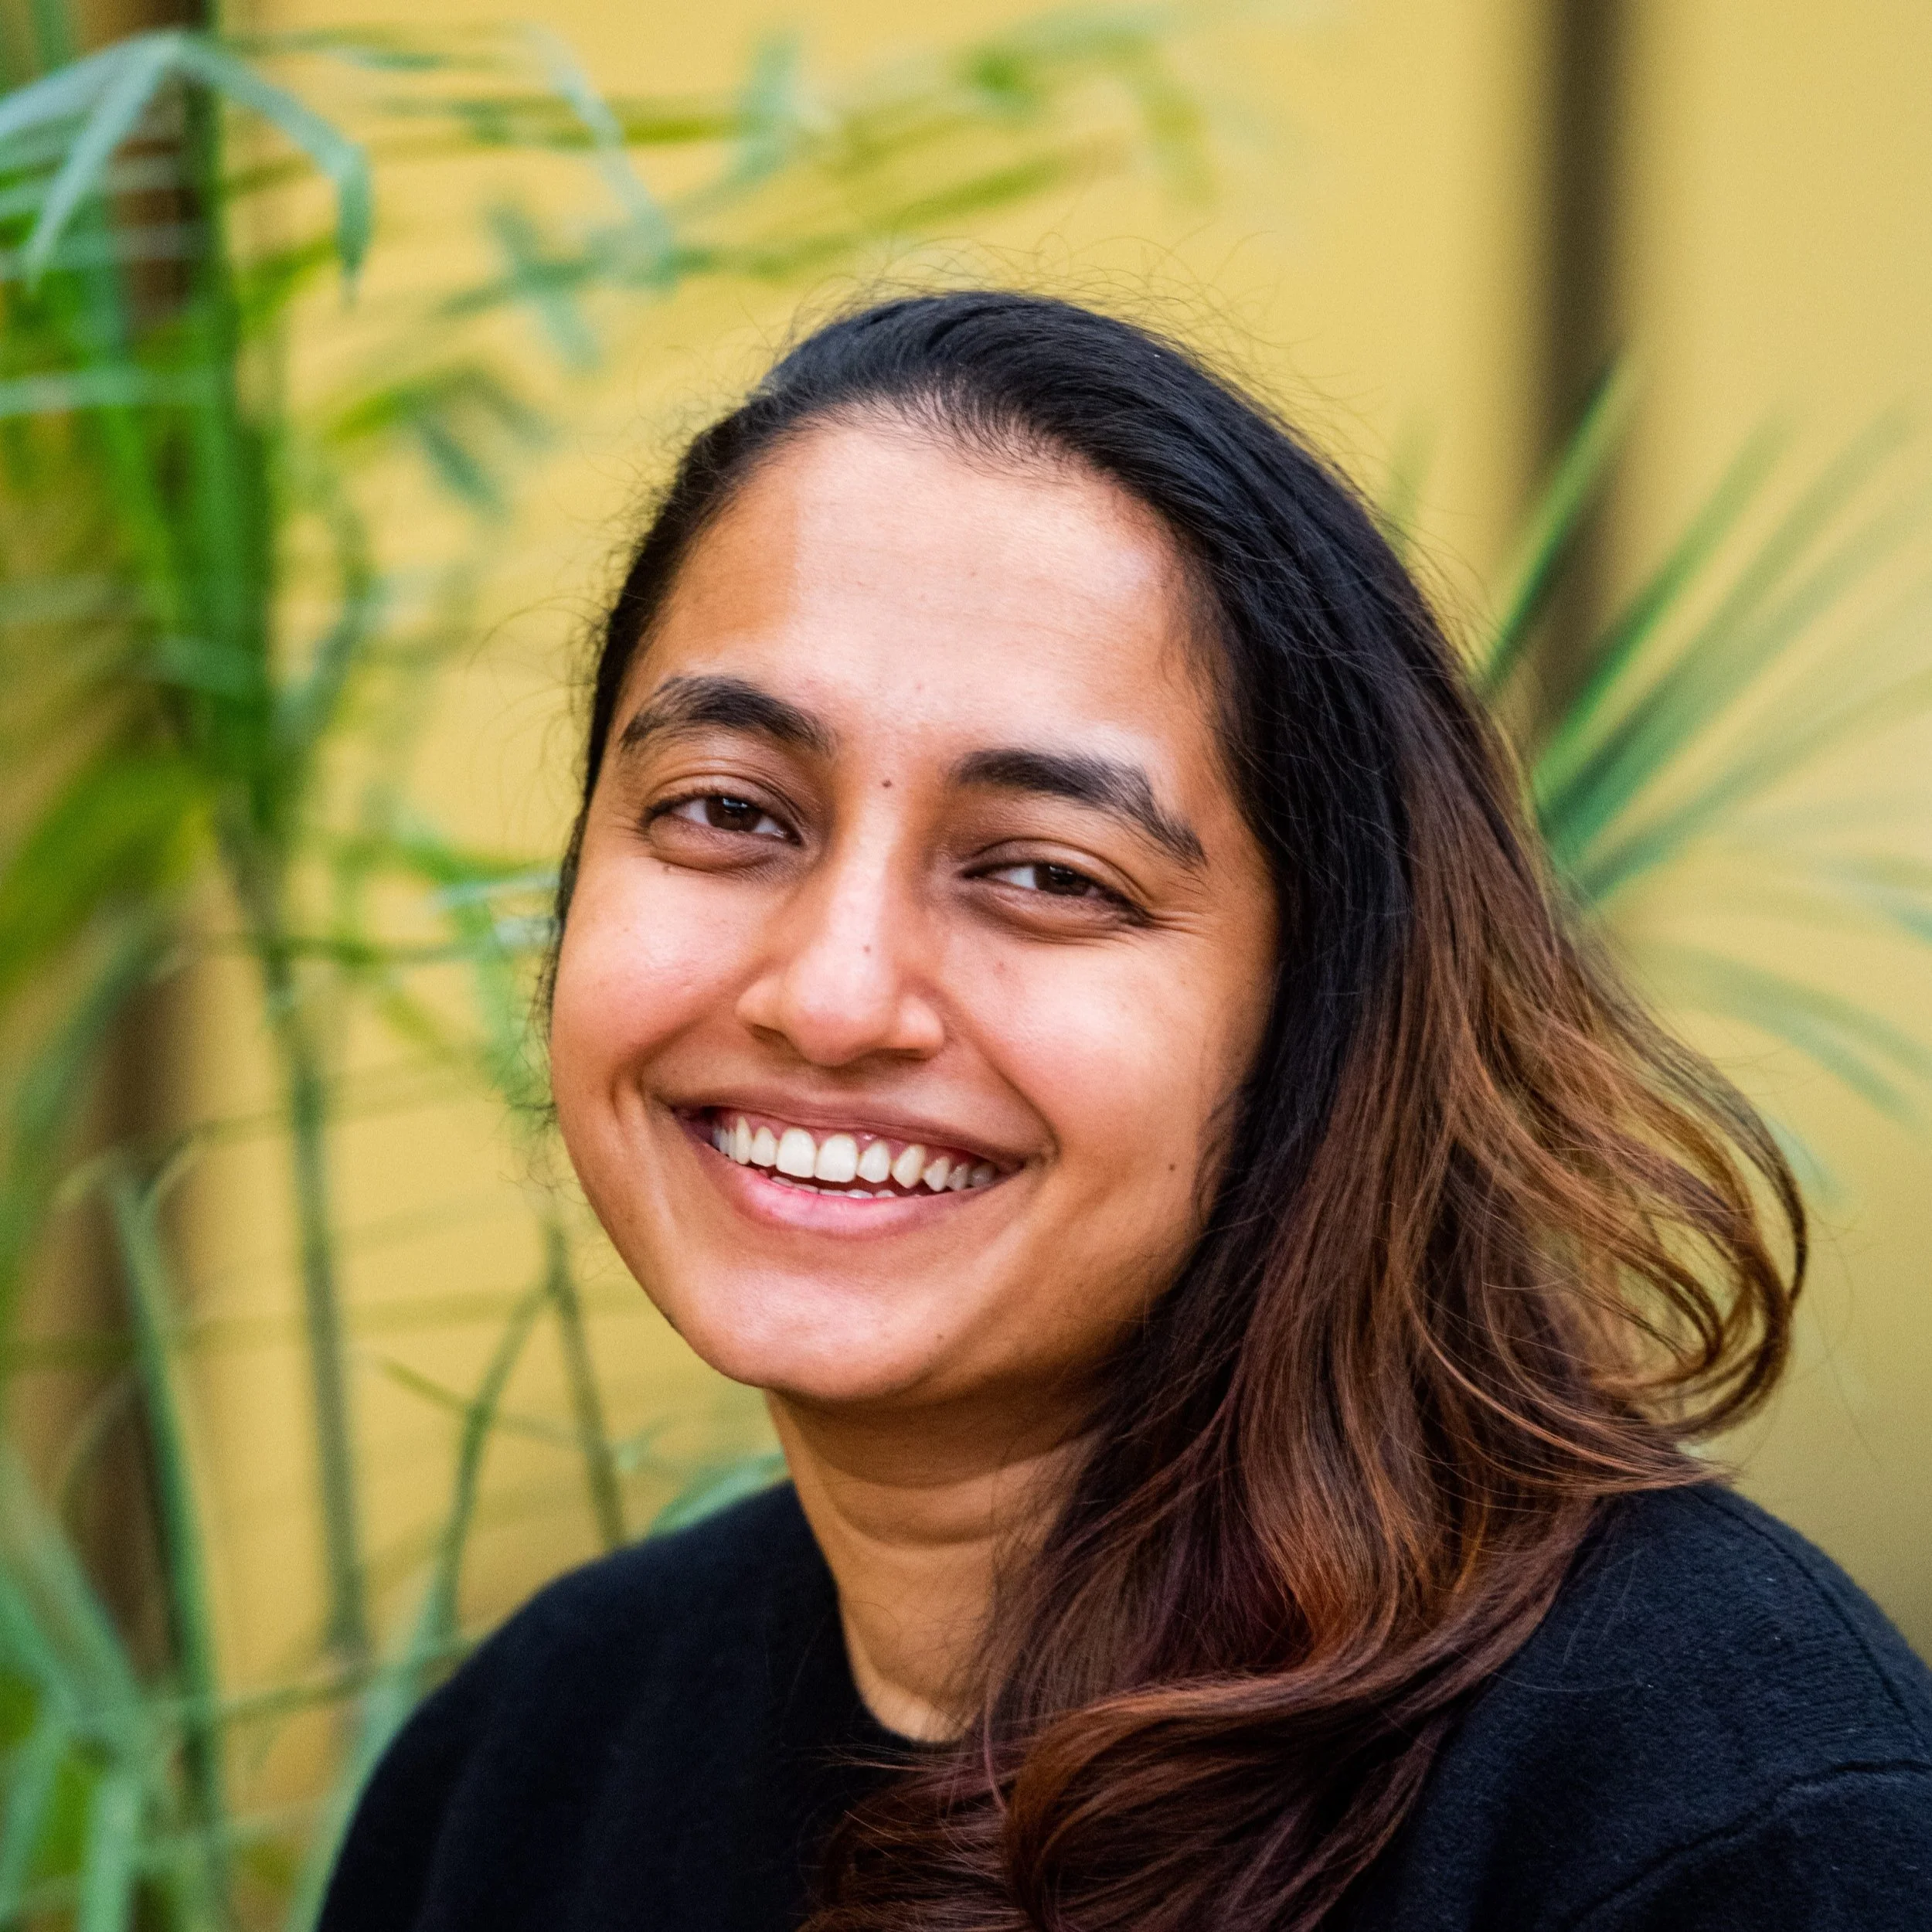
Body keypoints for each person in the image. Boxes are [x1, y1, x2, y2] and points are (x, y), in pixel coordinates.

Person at [319, 293, 1932, 1932]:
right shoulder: (530, 1765)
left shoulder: (1712, 1820)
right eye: (729, 810)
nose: (833, 995)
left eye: (1044, 873)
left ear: (1320, 1005)